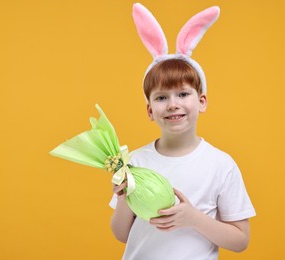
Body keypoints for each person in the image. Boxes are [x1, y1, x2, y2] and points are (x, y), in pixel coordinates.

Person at [109, 4, 256, 259]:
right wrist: (123, 198)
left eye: (183, 93)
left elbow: (241, 239)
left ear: (202, 101)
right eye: (162, 97)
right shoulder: (135, 161)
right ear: (150, 111)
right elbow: (121, 234)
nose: (173, 104)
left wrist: (193, 218)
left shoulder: (221, 165)